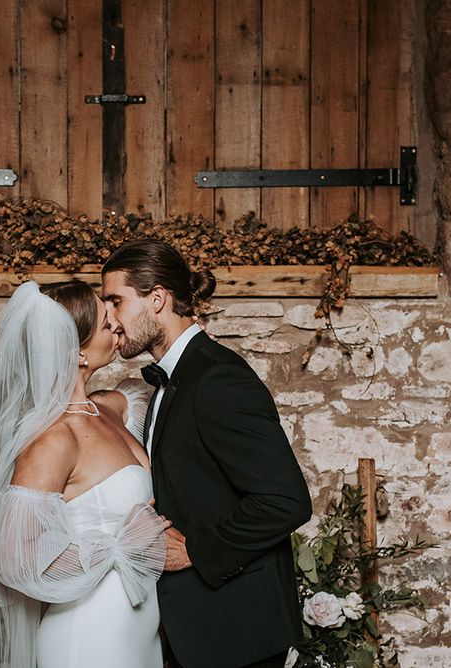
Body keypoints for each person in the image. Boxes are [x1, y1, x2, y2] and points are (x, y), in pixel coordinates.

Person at [101, 239, 313, 668]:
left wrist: (196, 549)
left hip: (234, 634)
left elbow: (286, 501)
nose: (110, 318)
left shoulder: (217, 379)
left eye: (116, 301)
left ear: (156, 298)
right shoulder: (170, 380)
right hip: (196, 628)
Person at [0, 279, 168, 668]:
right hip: (88, 634)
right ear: (78, 352)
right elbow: (16, 561)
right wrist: (118, 546)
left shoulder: (115, 407)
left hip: (140, 630)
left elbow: (176, 392)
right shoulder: (53, 440)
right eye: (104, 319)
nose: (116, 323)